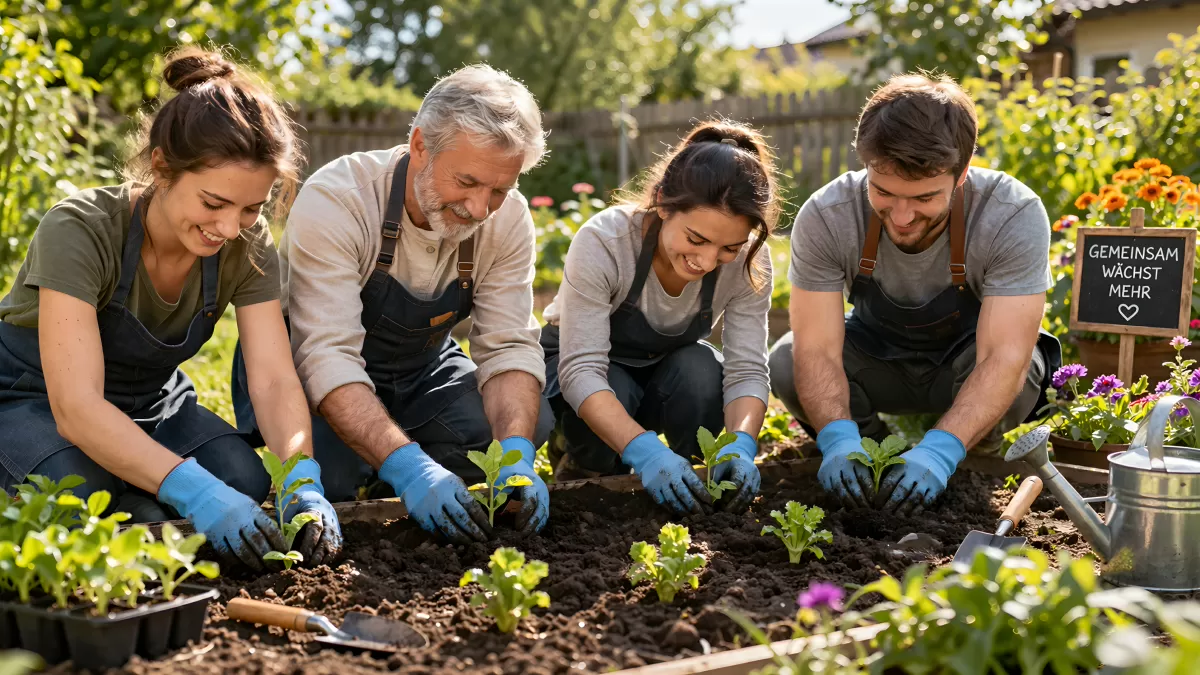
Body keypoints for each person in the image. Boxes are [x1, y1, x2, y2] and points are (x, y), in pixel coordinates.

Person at [0, 48, 341, 570]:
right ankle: (127, 500)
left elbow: (272, 378)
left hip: (149, 405)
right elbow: (76, 406)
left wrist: (300, 477)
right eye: (213, 203)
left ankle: (135, 502)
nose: (230, 227)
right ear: (161, 166)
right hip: (31, 397)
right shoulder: (81, 229)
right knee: (74, 490)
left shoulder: (246, 245)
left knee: (242, 478)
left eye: (251, 207)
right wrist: (191, 490)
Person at [233, 64, 553, 544]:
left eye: (500, 190)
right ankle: (391, 465)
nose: (480, 208)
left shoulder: (508, 221)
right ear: (421, 145)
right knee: (336, 481)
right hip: (310, 371)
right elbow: (327, 356)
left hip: (421, 367)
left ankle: (394, 461)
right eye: (466, 182)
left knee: (527, 421)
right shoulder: (339, 200)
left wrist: (515, 457)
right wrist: (411, 469)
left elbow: (507, 346)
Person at [769, 73, 1060, 515]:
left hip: (966, 366)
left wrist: (939, 450)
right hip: (877, 361)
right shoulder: (829, 215)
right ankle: (869, 457)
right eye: (882, 192)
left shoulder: (1010, 213)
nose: (901, 216)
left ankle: (967, 454)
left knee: (1026, 373)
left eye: (923, 198)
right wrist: (836, 435)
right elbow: (817, 350)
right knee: (787, 359)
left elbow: (1004, 355)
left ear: (961, 174)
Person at [541, 120, 779, 516]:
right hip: (585, 371)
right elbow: (581, 369)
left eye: (728, 248)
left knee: (701, 369)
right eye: (696, 239)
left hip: (662, 370)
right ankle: (583, 460)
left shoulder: (750, 261)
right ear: (664, 202)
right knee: (612, 386)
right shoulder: (607, 241)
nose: (705, 261)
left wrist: (741, 443)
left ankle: (691, 478)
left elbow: (748, 370)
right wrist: (646, 452)